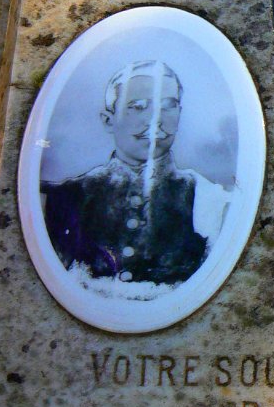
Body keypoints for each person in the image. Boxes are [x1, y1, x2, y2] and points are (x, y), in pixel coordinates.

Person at [41, 61, 229, 287]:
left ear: (180, 113)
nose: (155, 119)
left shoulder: (208, 199)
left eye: (169, 105)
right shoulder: (64, 198)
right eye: (138, 106)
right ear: (108, 120)